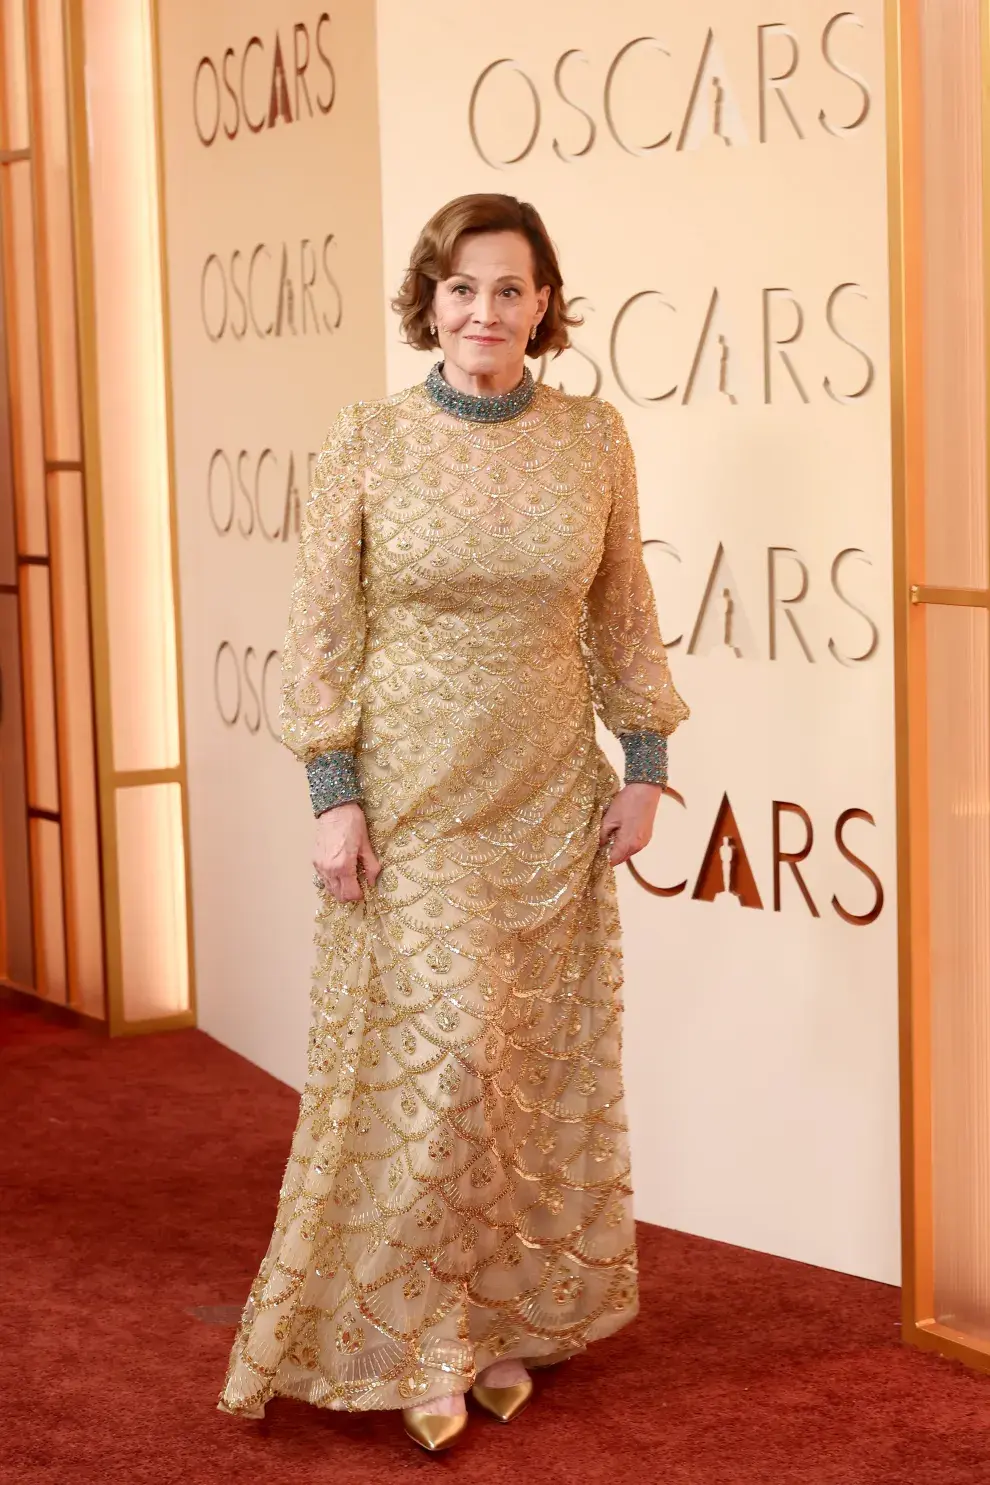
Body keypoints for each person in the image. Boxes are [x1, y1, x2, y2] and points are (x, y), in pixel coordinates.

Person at [218, 193, 689, 1452]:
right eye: (463, 288)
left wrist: (644, 765)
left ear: (545, 306)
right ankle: (416, 1335)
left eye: (511, 289)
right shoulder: (368, 438)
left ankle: (496, 1318)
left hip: (545, 798)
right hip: (413, 807)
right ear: (430, 300)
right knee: (439, 1072)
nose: (486, 311)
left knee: (516, 1079)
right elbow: (323, 627)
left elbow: (622, 610)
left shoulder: (592, 438)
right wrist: (334, 793)